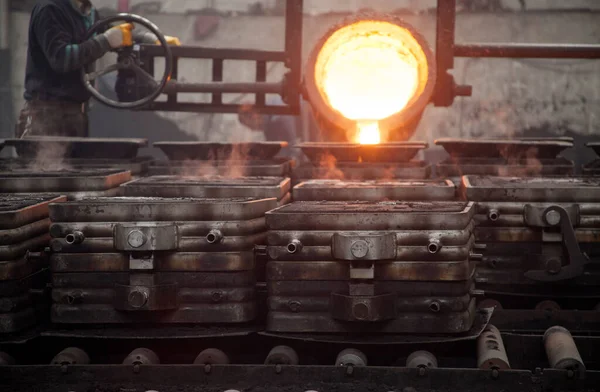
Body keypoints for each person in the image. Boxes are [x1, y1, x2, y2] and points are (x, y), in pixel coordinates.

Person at [16, 0, 180, 138]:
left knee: (73, 175)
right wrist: (105, 42)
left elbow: (113, 34)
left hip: (76, 116)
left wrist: (152, 39)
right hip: (45, 119)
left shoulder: (86, 11)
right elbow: (61, 58)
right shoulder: (49, 9)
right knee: (44, 174)